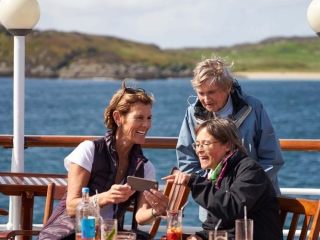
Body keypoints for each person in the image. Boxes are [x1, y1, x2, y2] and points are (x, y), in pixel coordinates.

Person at [37, 79, 168, 240]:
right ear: (118, 117)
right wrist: (106, 197)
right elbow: (72, 207)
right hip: (69, 234)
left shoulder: (145, 167)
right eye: (139, 118)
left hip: (108, 235)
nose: (146, 125)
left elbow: (140, 216)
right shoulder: (89, 151)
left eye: (149, 118)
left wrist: (156, 210)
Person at [176, 55, 284, 221]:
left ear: (228, 88)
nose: (205, 99)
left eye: (211, 92)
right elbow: (187, 161)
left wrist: (244, 189)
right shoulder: (192, 113)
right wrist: (214, 189)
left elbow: (272, 158)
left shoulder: (253, 107)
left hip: (256, 206)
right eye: (201, 93)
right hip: (215, 206)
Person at [164, 118, 283, 240]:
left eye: (205, 144)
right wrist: (199, 237)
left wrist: (195, 181)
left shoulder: (250, 170)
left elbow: (232, 208)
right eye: (197, 144)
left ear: (227, 145)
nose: (199, 150)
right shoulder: (218, 174)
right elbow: (216, 224)